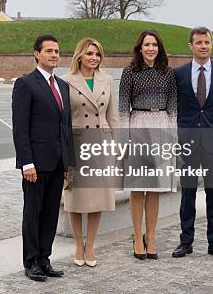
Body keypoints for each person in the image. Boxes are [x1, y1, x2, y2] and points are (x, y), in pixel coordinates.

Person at [12, 34, 74, 282]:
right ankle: (31, 262)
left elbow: (65, 127)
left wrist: (69, 163)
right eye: (49, 51)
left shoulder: (63, 86)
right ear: (36, 54)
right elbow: (20, 128)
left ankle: (45, 260)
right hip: (35, 164)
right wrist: (26, 162)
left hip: (58, 162)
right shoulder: (26, 84)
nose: (54, 55)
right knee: (33, 213)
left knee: (50, 213)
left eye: (57, 51)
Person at [172, 26, 213, 261]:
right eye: (199, 42)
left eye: (207, 42)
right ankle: (185, 242)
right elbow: (175, 105)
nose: (203, 46)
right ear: (191, 45)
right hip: (187, 141)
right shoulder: (178, 74)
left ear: (211, 44)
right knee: (187, 192)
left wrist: (212, 123)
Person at [119, 29, 177, 260]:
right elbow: (123, 108)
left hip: (161, 125)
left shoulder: (168, 74)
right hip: (138, 126)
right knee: (138, 187)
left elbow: (173, 106)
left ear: (159, 48)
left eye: (154, 44)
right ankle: (136, 235)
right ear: (140, 48)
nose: (150, 48)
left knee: (154, 188)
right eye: (146, 45)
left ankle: (151, 236)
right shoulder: (129, 72)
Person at [61, 38, 119, 268]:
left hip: (101, 144)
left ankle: (91, 245)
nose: (94, 58)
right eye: (89, 54)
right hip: (76, 144)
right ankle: (78, 245)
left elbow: (113, 116)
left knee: (98, 198)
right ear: (79, 56)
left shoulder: (108, 80)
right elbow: (62, 119)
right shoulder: (65, 81)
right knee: (75, 197)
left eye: (97, 54)